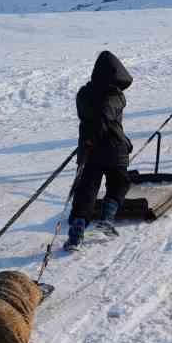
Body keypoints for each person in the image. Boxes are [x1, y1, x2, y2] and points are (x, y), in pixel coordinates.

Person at [65, 51, 133, 251]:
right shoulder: (115, 96)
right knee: (120, 182)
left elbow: (89, 116)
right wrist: (95, 136)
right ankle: (106, 219)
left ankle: (76, 232)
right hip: (112, 149)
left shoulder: (84, 93)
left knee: (86, 190)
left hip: (89, 149)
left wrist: (89, 140)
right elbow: (103, 115)